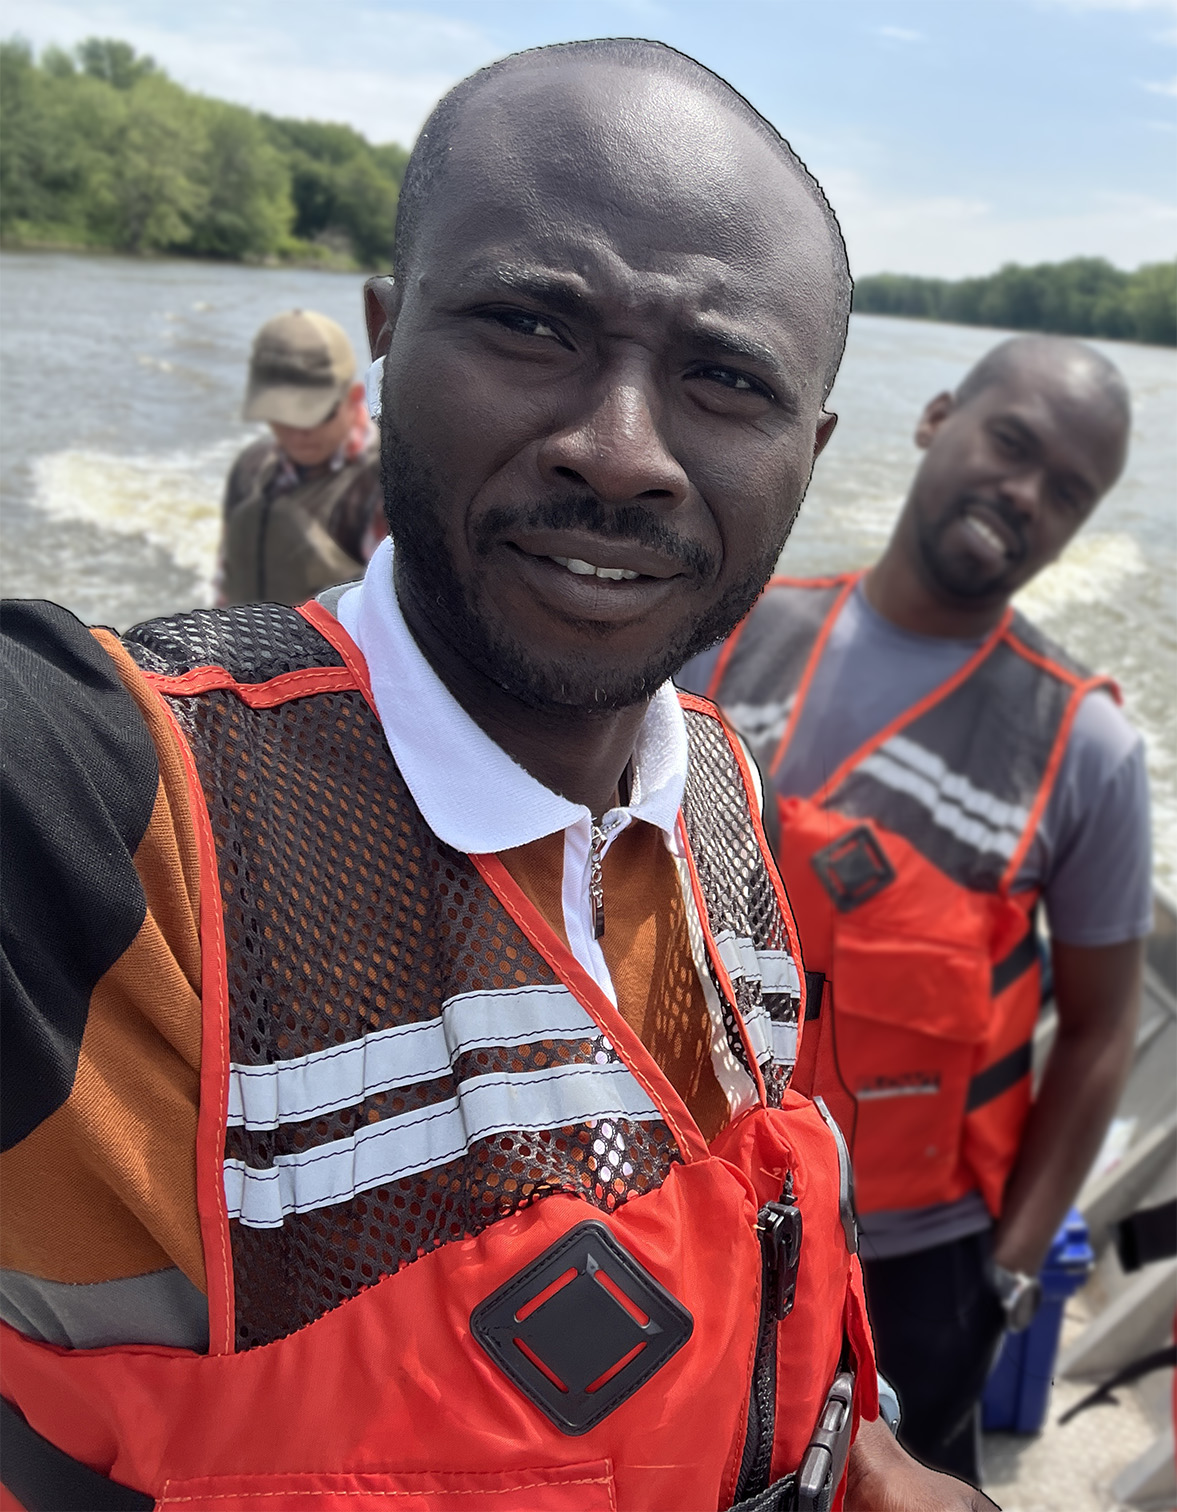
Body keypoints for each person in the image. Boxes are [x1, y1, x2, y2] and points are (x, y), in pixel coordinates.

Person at [0, 41, 995, 1512]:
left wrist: (870, 1466)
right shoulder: (108, 807)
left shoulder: (715, 790)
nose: (622, 451)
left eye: (727, 378)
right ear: (386, 337)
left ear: (813, 448)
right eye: (531, 324)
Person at [680, 334, 1150, 1482]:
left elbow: (1097, 1033)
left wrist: (1010, 1273)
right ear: (938, 416)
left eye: (1068, 492)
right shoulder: (725, 632)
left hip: (916, 1262)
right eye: (1011, 443)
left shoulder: (1085, 750)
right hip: (683, 1192)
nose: (1025, 494)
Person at [217, 308, 386, 606]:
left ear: (354, 398)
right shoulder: (251, 467)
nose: (299, 432)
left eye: (314, 413)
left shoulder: (392, 482)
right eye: (283, 414)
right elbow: (227, 581)